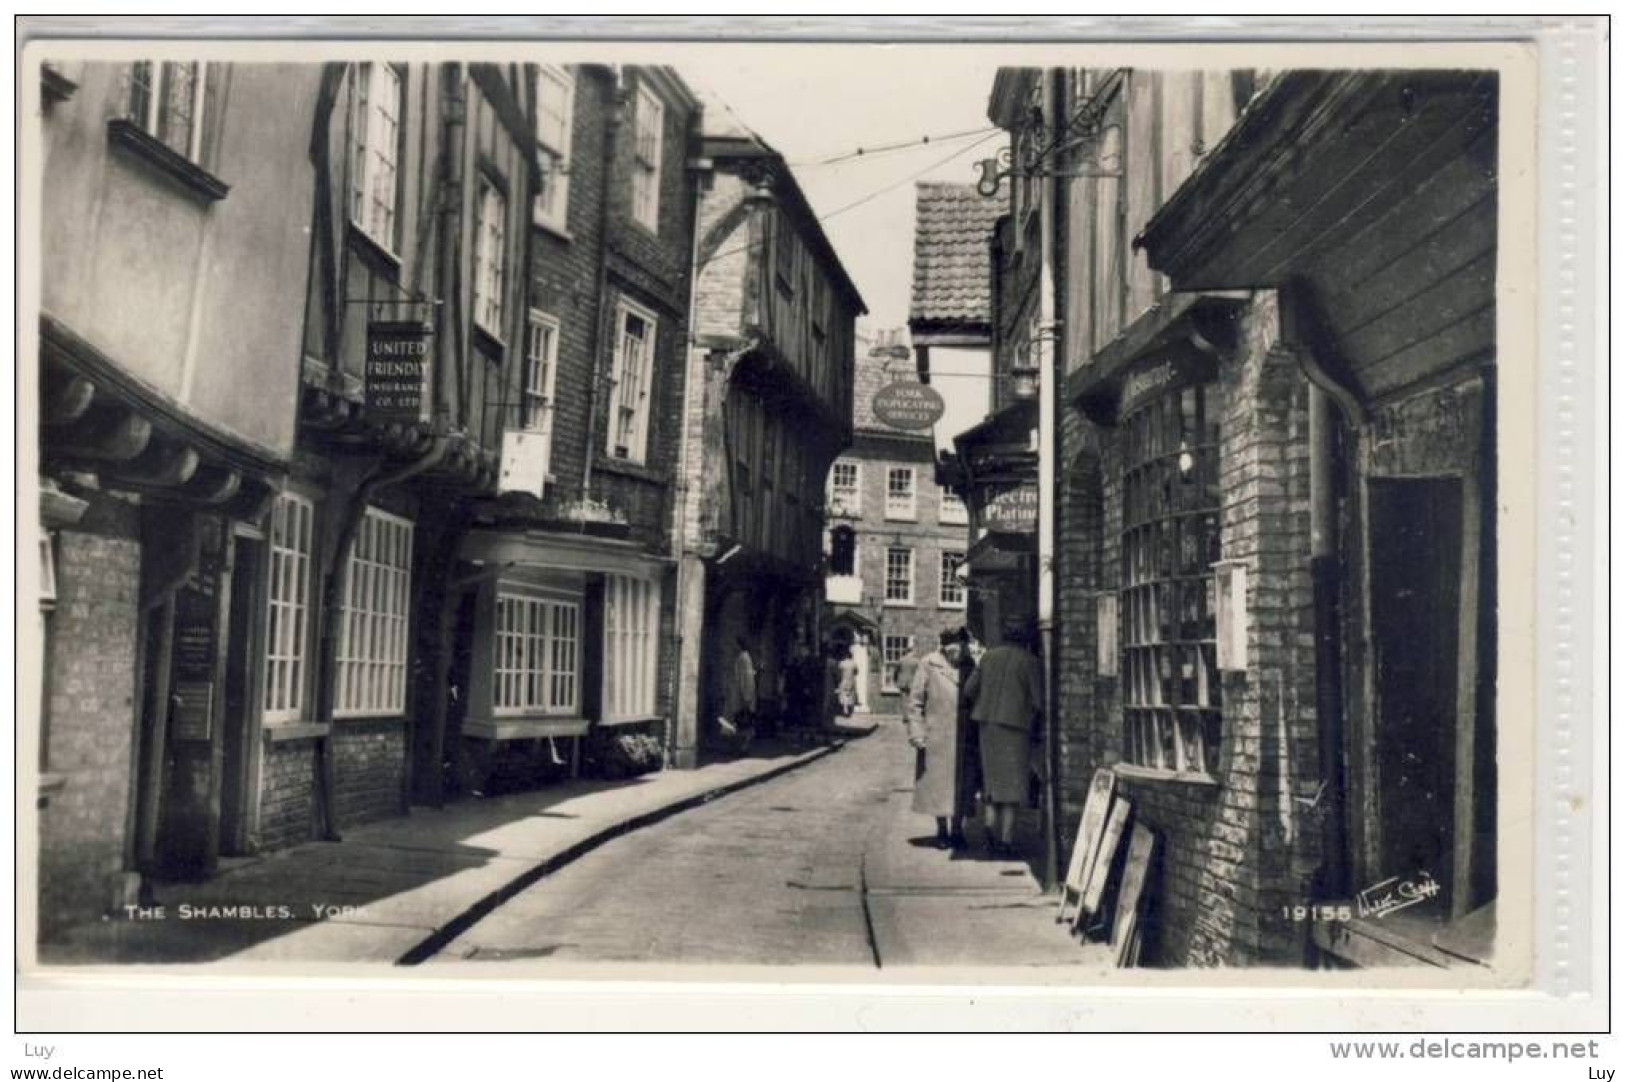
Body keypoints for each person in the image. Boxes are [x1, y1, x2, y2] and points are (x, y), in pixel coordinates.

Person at [964, 617, 1044, 859]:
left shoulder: (988, 657)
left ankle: (989, 828)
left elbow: (969, 690)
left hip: (987, 726)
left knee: (992, 783)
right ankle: (1007, 840)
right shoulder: (1030, 661)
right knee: (1013, 786)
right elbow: (1038, 700)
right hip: (1016, 727)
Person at [906, 628, 969, 849]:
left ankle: (958, 830)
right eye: (954, 647)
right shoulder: (929, 664)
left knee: (963, 787)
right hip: (937, 736)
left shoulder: (970, 665)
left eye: (962, 647)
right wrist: (917, 732)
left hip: (964, 737)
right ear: (944, 646)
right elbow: (915, 701)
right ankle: (942, 831)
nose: (958, 652)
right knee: (939, 787)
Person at [721, 636, 757, 747]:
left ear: (739, 645)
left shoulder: (744, 658)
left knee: (742, 722)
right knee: (739, 722)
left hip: (741, 697)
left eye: (734, 645)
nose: (733, 647)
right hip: (738, 695)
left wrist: (747, 697)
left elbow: (747, 678)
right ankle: (740, 746)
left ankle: (743, 747)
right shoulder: (742, 657)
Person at [836, 643, 860, 717]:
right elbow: (856, 672)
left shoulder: (842, 663)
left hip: (843, 681)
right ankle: (849, 711)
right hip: (851, 681)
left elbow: (839, 672)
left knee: (844, 695)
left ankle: (845, 710)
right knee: (850, 696)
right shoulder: (854, 663)